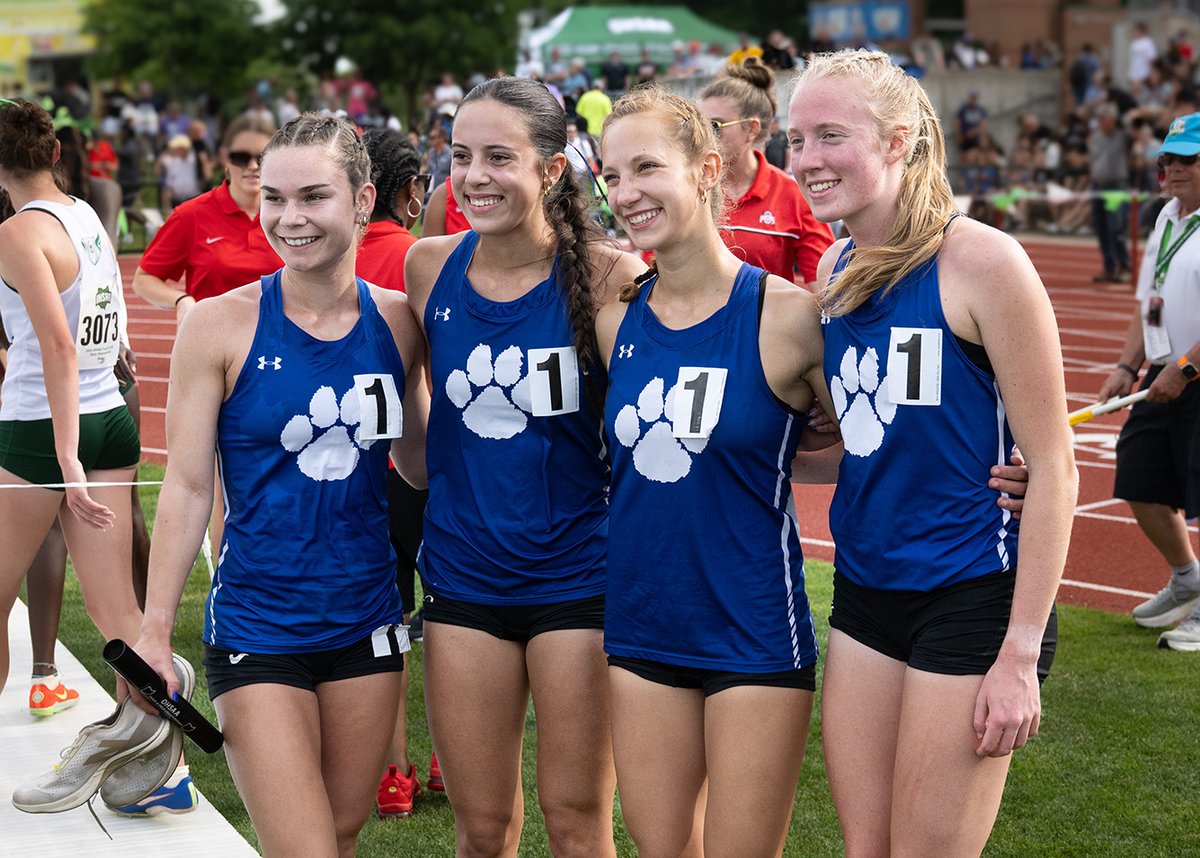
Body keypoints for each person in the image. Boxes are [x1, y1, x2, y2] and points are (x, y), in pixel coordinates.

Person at [788, 50, 1076, 856]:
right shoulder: (836, 268)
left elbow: (1054, 466)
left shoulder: (982, 260)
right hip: (867, 588)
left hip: (973, 593)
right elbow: (862, 448)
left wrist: (1020, 653)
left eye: (830, 136)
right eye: (797, 139)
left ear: (898, 139)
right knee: (866, 847)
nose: (807, 159)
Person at [132, 113, 429, 858]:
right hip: (258, 631)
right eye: (274, 198)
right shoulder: (219, 325)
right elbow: (189, 487)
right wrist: (153, 630)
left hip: (367, 621)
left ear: (363, 200)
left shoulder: (400, 324)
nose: (289, 219)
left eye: (313, 197)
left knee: (339, 834)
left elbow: (420, 468)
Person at [403, 75, 642, 857]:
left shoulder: (612, 278)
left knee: (577, 823)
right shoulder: (428, 268)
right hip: (463, 584)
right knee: (482, 829)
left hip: (580, 584)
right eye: (461, 155)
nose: (474, 176)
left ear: (549, 168)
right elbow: (414, 434)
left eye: (499, 157)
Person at [596, 84, 830, 858]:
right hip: (642, 622)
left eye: (646, 168)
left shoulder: (790, 318)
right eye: (612, 174)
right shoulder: (613, 315)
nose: (626, 193)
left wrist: (1009, 468)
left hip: (753, 629)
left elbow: (875, 440)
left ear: (705, 167)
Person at [0, 98, 181, 816]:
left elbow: (57, 345)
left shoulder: (18, 231)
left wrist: (65, 457)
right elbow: (103, 319)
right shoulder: (83, 213)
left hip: (45, 431)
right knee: (116, 610)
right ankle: (160, 746)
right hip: (110, 416)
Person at [132, 114, 278, 553]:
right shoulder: (194, 215)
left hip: (281, 355)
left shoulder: (289, 211)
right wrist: (180, 302)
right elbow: (145, 278)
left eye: (263, 156)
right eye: (241, 156)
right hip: (214, 364)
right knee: (214, 480)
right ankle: (227, 584)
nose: (253, 165)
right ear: (222, 159)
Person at [1096, 112, 1200, 652]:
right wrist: (1123, 365)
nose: (1175, 169)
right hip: (1161, 375)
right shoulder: (1166, 217)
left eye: (1188, 159)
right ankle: (1188, 578)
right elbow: (1146, 303)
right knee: (1138, 479)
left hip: (1190, 377)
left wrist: (1184, 369)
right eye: (1169, 159)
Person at [356, 127, 434, 816]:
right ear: (409, 192)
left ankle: (391, 773)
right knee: (447, 618)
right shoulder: (424, 262)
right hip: (428, 460)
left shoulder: (330, 257)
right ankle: (446, 760)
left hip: (356, 467)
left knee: (383, 621)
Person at [697, 60, 833, 287]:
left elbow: (824, 290)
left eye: (714, 126)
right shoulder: (688, 188)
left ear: (752, 129)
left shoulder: (793, 196)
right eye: (697, 125)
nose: (703, 137)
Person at [1089, 103, 1133, 283]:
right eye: (1099, 119)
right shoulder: (1096, 137)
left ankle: (1125, 265)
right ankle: (1109, 266)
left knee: (1116, 228)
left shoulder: (1122, 136)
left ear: (1113, 120)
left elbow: (1134, 129)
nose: (1101, 122)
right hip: (1099, 185)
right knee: (1102, 228)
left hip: (1116, 185)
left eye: (1104, 119)